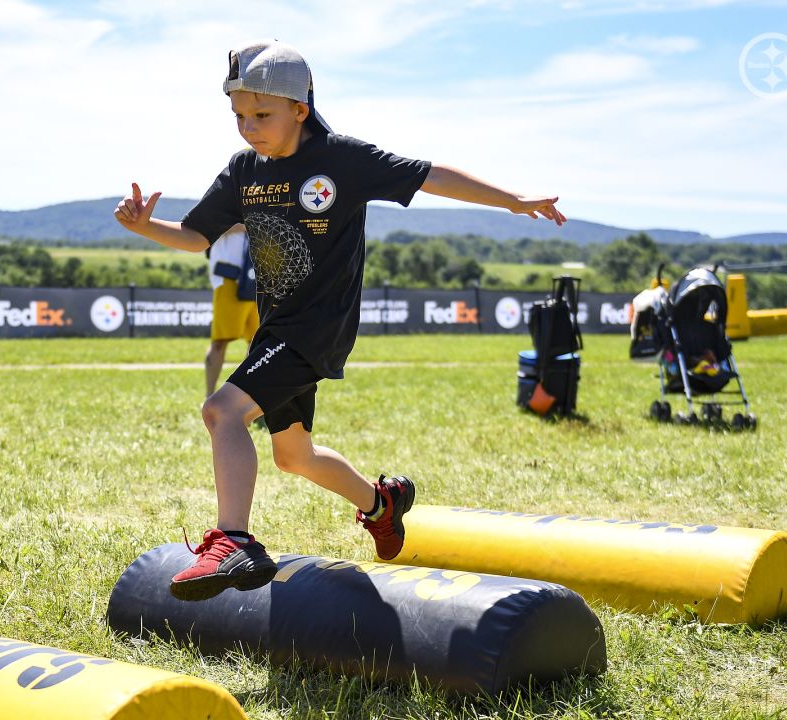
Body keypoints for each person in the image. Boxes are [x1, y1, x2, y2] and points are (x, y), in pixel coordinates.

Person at [113, 40, 566, 602]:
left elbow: (428, 175)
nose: (247, 128)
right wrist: (144, 227)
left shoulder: (340, 160)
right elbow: (195, 236)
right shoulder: (243, 171)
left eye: (261, 115)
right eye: (238, 117)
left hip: (318, 326)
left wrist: (513, 199)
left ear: (299, 109)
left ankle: (233, 541)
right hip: (275, 329)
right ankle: (381, 503)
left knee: (221, 410)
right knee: (293, 455)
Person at [205, 223, 260, 398]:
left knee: (257, 344)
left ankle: (249, 399)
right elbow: (209, 226)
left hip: (260, 278)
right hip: (230, 279)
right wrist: (251, 223)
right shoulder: (223, 196)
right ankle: (209, 397)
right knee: (219, 341)